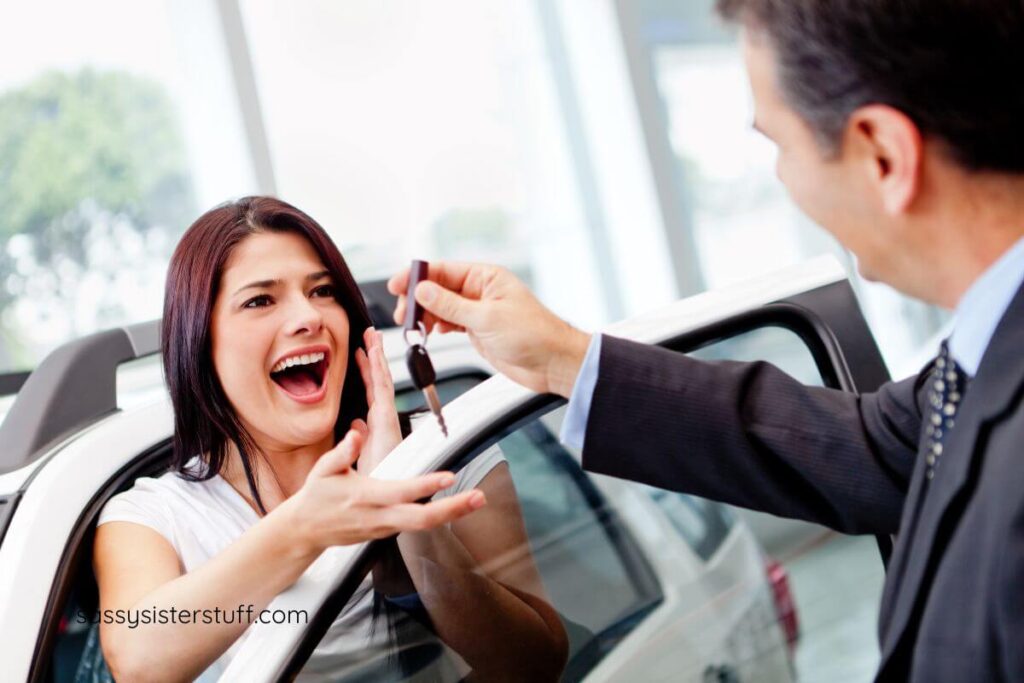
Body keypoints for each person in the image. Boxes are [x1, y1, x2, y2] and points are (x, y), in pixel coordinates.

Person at [388, 1, 1024, 681]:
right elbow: (868, 447)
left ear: (883, 154)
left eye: (779, 143)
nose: (783, 179)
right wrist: (560, 355)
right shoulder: (977, 368)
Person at [93, 197, 567, 682]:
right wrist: (305, 526)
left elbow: (535, 663)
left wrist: (403, 497)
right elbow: (139, 658)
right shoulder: (152, 516)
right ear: (199, 342)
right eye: (260, 300)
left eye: (322, 291)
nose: (308, 317)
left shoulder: (448, 450)